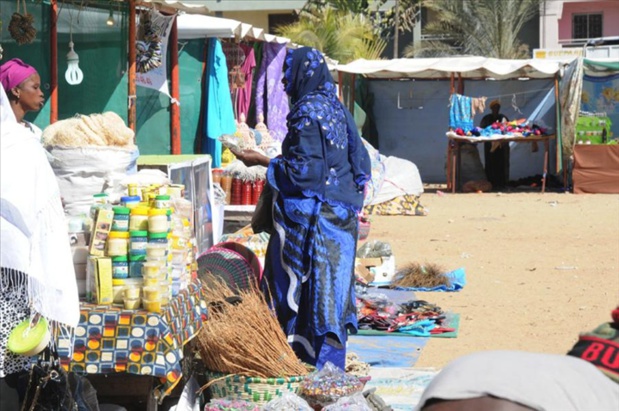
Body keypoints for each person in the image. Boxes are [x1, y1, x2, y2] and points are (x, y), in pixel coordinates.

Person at [232, 47, 371, 370]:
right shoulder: (337, 109)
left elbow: (302, 173)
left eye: (287, 76)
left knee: (305, 295)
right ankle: (329, 373)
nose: (283, 83)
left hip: (314, 225)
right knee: (332, 296)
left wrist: (263, 161)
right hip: (342, 222)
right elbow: (360, 165)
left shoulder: (307, 114)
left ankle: (298, 368)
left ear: (302, 76)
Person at [0, 85, 79, 407]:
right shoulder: (19, 145)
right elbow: (48, 215)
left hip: (11, 277)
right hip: (13, 275)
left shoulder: (20, 144)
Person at [0, 58, 45, 141]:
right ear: (16, 91)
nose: (41, 93)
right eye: (35, 87)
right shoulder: (4, 132)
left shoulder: (36, 132)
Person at [480, 100, 510, 190]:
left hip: (501, 146)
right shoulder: (486, 118)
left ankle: (502, 183)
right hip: (490, 146)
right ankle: (491, 183)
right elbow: (481, 130)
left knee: (502, 164)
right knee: (490, 163)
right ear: (491, 108)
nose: (496, 109)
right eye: (494, 107)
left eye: (498, 107)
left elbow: (508, 128)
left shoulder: (503, 118)